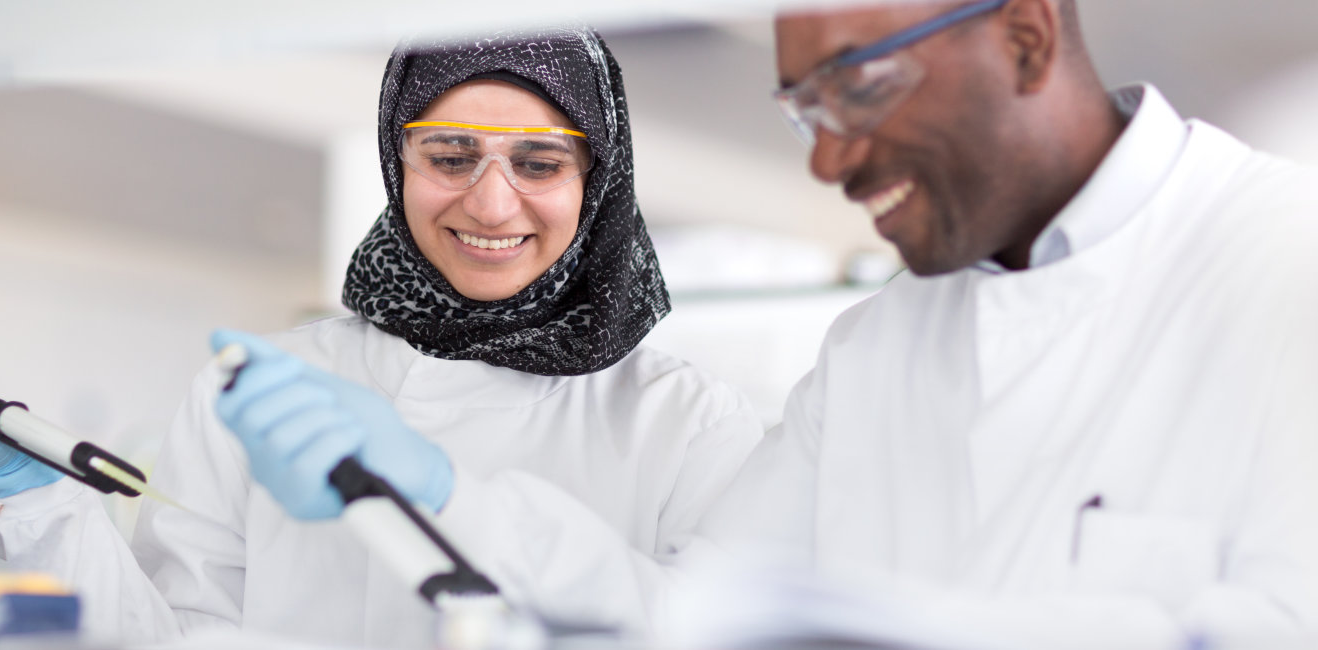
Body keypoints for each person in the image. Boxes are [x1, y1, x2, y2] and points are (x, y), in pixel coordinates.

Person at [243, 1, 1318, 646]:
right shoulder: (877, 348)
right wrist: (450, 500)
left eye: (855, 90)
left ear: (1028, 39)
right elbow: (684, 611)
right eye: (805, 110)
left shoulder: (1282, 267)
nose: (827, 160)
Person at [0, 25, 763, 647]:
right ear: (399, 164)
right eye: (450, 156)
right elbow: (168, 640)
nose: (491, 204)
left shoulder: (684, 420)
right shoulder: (264, 384)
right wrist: (35, 493)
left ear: (597, 180)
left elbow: (712, 633)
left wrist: (449, 501)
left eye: (539, 164)